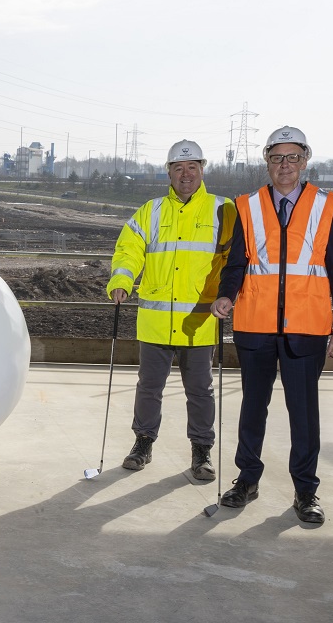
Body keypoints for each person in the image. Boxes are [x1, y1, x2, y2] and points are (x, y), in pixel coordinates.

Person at [211, 126, 333, 525]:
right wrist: (226, 294)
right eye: (277, 158)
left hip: (307, 326)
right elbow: (237, 261)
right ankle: (247, 479)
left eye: (293, 157)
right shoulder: (247, 205)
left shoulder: (328, 205)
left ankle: (306, 491)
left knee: (303, 413)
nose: (285, 165)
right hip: (255, 324)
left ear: (306, 160)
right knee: (253, 407)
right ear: (267, 162)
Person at [106, 140, 235, 480]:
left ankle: (202, 451)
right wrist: (122, 280)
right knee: (149, 387)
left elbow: (234, 260)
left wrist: (229, 294)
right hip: (156, 321)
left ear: (202, 170)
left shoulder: (225, 210)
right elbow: (128, 250)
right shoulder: (151, 211)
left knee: (200, 390)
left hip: (199, 321)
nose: (186, 174)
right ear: (169, 173)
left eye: (192, 167)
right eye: (178, 168)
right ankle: (143, 443)